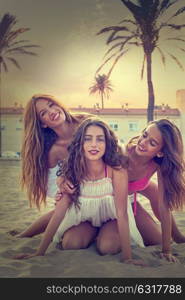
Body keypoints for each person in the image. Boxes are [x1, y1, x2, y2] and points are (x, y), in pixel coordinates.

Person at [14, 118, 146, 265]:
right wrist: (39, 252)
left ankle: (104, 235)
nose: (94, 145)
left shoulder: (117, 170)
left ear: (107, 143)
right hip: (85, 219)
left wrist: (128, 258)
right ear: (80, 143)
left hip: (112, 218)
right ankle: (93, 234)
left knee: (108, 247)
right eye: (88, 139)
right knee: (71, 244)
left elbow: (122, 213)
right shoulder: (73, 170)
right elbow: (59, 213)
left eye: (100, 139)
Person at [14, 93, 98, 247]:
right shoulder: (54, 151)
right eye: (43, 113)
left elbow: (115, 152)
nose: (51, 111)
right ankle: (25, 234)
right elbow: (53, 185)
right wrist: (62, 185)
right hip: (81, 203)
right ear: (43, 124)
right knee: (71, 244)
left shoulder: (87, 123)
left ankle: (26, 233)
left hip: (107, 194)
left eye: (51, 105)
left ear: (59, 105)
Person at [123, 119, 185, 262]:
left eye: (152, 143)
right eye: (144, 135)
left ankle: (177, 236)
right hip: (107, 203)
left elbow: (164, 206)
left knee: (158, 241)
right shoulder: (123, 153)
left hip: (129, 202)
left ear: (161, 153)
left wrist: (166, 250)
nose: (143, 142)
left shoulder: (157, 165)